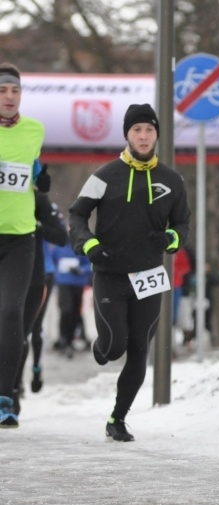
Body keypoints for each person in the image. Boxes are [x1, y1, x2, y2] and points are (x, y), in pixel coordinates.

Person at [69, 103, 191, 442]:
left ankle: (117, 418)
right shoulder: (104, 176)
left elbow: (182, 222)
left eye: (149, 130)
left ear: (156, 135)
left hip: (149, 276)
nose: (143, 135)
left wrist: (173, 238)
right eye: (136, 130)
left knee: (139, 350)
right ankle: (102, 347)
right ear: (127, 134)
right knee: (115, 347)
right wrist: (88, 244)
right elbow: (77, 215)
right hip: (110, 273)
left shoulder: (171, 179)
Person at [0, 63, 48, 428]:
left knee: (11, 314)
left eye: (15, 91)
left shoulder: (35, 130)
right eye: (3, 90)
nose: (10, 97)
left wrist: (41, 176)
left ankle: (7, 397)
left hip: (20, 237)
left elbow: (33, 172)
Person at [12, 191, 68, 413]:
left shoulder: (42, 202)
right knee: (10, 330)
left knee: (29, 331)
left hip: (40, 274)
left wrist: (35, 225)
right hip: (10, 271)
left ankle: (24, 378)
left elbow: (60, 236)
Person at [51, 242, 92, 358]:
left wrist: (81, 270)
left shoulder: (81, 248)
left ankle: (71, 339)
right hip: (63, 284)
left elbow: (89, 264)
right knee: (66, 311)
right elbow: (52, 264)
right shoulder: (59, 248)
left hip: (78, 284)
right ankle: (64, 340)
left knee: (75, 313)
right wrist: (56, 274)